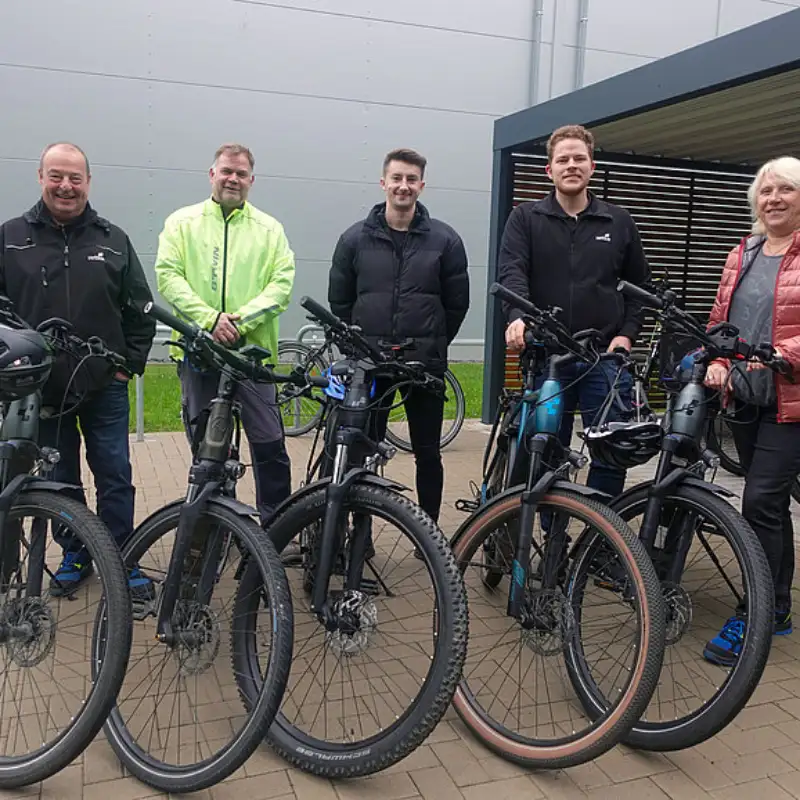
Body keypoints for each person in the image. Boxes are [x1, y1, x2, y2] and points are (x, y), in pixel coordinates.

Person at [0, 142, 156, 596]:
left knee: (114, 473)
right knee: (57, 476)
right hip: (40, 389)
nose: (66, 186)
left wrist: (128, 368)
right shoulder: (10, 238)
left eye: (75, 177)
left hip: (104, 384)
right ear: (41, 177)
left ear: (88, 182)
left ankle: (122, 555)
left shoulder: (113, 239)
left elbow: (140, 309)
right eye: (56, 176)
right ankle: (75, 552)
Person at [498, 124, 651, 498]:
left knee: (610, 452)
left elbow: (640, 287)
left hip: (604, 358)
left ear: (591, 166)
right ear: (549, 170)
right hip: (548, 358)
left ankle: (601, 544)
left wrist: (626, 335)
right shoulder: (526, 219)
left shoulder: (618, 221)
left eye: (578, 158)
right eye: (562, 159)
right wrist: (517, 318)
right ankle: (554, 538)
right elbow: (512, 272)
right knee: (545, 449)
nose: (571, 165)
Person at [328, 147, 470, 528]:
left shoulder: (446, 240)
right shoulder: (354, 239)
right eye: (396, 178)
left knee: (427, 453)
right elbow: (339, 300)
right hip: (370, 366)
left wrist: (434, 343)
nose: (403, 186)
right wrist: (356, 349)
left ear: (421, 185)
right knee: (363, 449)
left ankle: (431, 534)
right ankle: (362, 537)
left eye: (411, 179)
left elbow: (457, 305)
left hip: (424, 366)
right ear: (383, 183)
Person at [155, 143, 295, 527]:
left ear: (252, 180)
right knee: (208, 450)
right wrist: (209, 320)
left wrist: (239, 322)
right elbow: (168, 276)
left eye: (241, 173)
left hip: (252, 359)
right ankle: (217, 525)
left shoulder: (270, 230)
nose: (233, 178)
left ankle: (275, 527)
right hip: (198, 355)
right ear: (212, 174)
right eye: (226, 171)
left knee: (269, 446)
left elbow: (281, 286)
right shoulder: (181, 223)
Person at [703, 156, 800, 665]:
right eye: (766, 191)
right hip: (743, 396)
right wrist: (717, 358)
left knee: (759, 500)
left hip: (791, 401)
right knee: (771, 505)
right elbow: (722, 320)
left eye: (786, 189)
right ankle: (779, 606)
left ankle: (757, 612)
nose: (775, 199)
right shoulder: (743, 252)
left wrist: (785, 356)